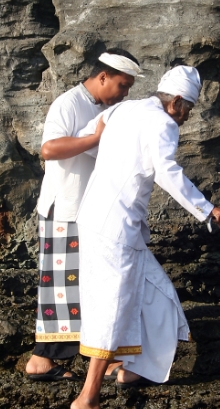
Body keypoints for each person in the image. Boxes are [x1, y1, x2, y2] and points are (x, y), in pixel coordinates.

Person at [68, 65, 220, 409]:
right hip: (115, 229)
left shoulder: (124, 109)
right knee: (113, 307)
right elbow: (167, 172)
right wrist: (208, 209)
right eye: (187, 108)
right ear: (175, 102)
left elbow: (90, 135)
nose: (187, 117)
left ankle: (131, 367)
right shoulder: (163, 124)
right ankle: (87, 400)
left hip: (98, 219)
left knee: (156, 292)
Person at [25, 49, 143, 382]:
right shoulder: (68, 103)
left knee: (89, 287)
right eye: (122, 86)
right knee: (60, 288)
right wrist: (94, 138)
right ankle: (41, 360)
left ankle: (96, 356)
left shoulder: (108, 108)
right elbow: (49, 149)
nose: (124, 93)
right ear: (102, 76)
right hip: (63, 208)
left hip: (90, 211)